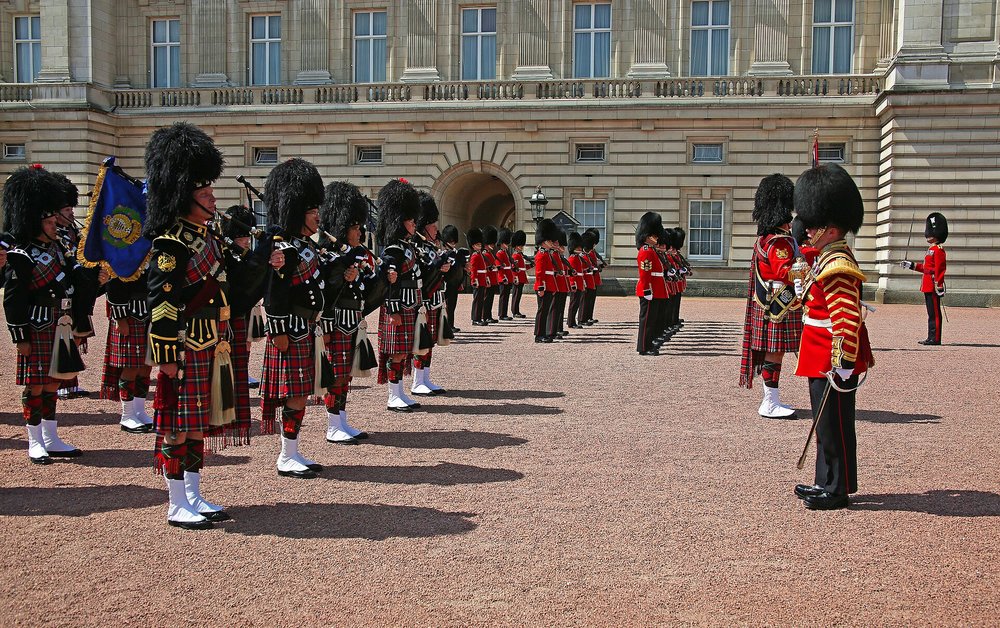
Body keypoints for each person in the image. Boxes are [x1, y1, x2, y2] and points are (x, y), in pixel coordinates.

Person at [143, 122, 236, 528]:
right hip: (182, 346)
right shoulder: (170, 245)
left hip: (209, 341)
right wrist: (165, 358)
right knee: (177, 427)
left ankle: (195, 494)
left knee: (198, 424)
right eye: (205, 193)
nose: (213, 198)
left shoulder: (209, 238)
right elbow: (162, 304)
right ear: (186, 198)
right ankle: (175, 500)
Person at [792, 163, 875, 511]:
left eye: (815, 224)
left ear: (831, 227)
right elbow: (810, 303)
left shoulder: (838, 264)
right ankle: (825, 481)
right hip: (818, 352)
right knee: (824, 423)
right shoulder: (824, 259)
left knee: (835, 424)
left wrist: (842, 360)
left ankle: (837, 488)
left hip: (831, 355)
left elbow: (846, 317)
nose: (809, 229)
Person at [2, 164, 95, 465]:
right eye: (50, 218)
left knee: (55, 381)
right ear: (36, 220)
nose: (56, 222)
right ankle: (34, 439)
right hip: (37, 323)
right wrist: (19, 336)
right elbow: (14, 299)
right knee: (37, 383)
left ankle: (51, 436)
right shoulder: (22, 255)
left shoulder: (61, 249)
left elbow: (73, 286)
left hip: (60, 323)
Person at [259, 158, 326, 479]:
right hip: (292, 330)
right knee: (295, 394)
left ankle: (293, 450)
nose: (318, 216)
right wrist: (277, 330)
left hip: (307, 328)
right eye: (313, 211)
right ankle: (286, 455)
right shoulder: (284, 247)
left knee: (300, 393)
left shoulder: (305, 246)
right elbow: (273, 292)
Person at [318, 181, 378, 444]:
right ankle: (332, 424)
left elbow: (364, 289)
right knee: (336, 373)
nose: (359, 231)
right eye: (354, 227)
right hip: (336, 321)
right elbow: (326, 295)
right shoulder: (328, 255)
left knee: (346, 373)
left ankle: (341, 418)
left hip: (353, 320)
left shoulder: (354, 254)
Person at [739, 174, 803, 419]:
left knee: (773, 352)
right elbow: (785, 271)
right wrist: (807, 266)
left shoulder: (766, 238)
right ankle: (770, 401)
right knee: (774, 352)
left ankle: (771, 400)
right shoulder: (780, 242)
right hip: (780, 302)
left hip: (771, 301)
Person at [220, 204, 280, 449]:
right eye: (241, 237)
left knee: (240, 360)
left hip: (241, 313)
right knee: (227, 366)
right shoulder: (228, 253)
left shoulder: (239, 253)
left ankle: (232, 411)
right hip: (225, 317)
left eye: (245, 237)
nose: (245, 241)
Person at [376, 178, 424, 412]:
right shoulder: (393, 249)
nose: (414, 224)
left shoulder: (407, 246)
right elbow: (391, 282)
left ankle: (400, 392)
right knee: (396, 352)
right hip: (399, 305)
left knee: (403, 350)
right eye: (410, 220)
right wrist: (393, 309)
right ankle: (393, 395)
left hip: (410, 303)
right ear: (399, 221)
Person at [411, 191, 452, 396]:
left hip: (435, 298)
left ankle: (425, 377)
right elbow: (422, 274)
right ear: (423, 226)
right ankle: (417, 380)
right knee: (423, 340)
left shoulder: (431, 247)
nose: (436, 228)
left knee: (431, 340)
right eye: (432, 225)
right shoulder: (417, 248)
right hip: (424, 300)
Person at [900, 213, 948, 345]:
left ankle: (936, 338)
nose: (928, 235)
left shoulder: (938, 250)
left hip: (933, 284)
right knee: (930, 313)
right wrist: (911, 265)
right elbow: (925, 268)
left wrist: (939, 285)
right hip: (927, 284)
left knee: (935, 313)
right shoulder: (931, 249)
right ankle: (931, 336)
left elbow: (940, 269)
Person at [635, 212, 667, 356]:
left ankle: (648, 343)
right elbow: (645, 273)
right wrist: (647, 290)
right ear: (647, 236)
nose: (657, 237)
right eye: (654, 235)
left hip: (655, 288)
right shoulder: (646, 251)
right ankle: (643, 347)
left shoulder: (651, 250)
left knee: (651, 320)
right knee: (646, 320)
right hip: (650, 290)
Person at [533, 219, 560, 343]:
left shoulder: (547, 254)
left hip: (549, 285)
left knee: (545, 311)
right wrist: (540, 288)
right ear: (544, 241)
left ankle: (543, 333)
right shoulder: (541, 255)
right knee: (542, 311)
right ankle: (539, 335)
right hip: (544, 286)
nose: (551, 243)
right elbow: (539, 273)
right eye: (549, 241)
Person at [440, 225, 466, 332]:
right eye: (450, 242)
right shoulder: (444, 254)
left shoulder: (457, 254)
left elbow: (460, 269)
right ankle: (446, 325)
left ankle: (451, 324)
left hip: (455, 283)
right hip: (447, 283)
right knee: (446, 305)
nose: (453, 244)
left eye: (454, 242)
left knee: (452, 305)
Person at [467, 227, 489, 326]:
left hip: (482, 279)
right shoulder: (475, 255)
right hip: (478, 280)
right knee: (477, 300)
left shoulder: (480, 255)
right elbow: (473, 269)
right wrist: (474, 280)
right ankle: (475, 319)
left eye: (480, 245)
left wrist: (486, 278)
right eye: (477, 245)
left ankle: (479, 317)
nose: (479, 246)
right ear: (473, 246)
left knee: (481, 300)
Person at [583, 228, 605, 324]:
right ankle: (585, 317)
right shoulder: (588, 252)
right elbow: (591, 265)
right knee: (587, 300)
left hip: (593, 277)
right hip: (589, 277)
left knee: (591, 299)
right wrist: (597, 268)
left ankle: (589, 316)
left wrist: (600, 266)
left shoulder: (592, 251)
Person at [566, 232, 587, 329]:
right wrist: (572, 284)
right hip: (575, 283)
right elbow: (571, 273)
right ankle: (571, 322)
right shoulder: (572, 259)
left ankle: (572, 321)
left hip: (579, 282)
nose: (580, 249)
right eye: (578, 247)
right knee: (573, 304)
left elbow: (580, 271)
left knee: (576, 303)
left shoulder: (578, 258)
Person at [510, 230, 531, 319]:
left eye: (521, 245)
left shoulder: (520, 255)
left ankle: (517, 310)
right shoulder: (515, 256)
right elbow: (513, 268)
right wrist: (515, 278)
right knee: (516, 295)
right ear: (515, 246)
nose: (521, 247)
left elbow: (523, 267)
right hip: (518, 278)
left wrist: (531, 265)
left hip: (521, 277)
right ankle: (515, 311)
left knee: (518, 295)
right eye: (520, 245)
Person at [494, 228, 514, 321]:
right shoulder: (500, 253)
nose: (507, 245)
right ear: (502, 243)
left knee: (506, 296)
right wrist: (503, 278)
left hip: (508, 277)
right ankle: (502, 314)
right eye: (506, 243)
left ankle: (504, 313)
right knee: (503, 296)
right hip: (504, 278)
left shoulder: (506, 253)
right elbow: (499, 268)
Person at [480, 226, 499, 323]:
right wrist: (487, 279)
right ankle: (484, 316)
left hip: (493, 278)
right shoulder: (484, 254)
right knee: (486, 299)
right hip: (488, 279)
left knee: (490, 299)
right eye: (491, 243)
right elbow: (485, 268)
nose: (493, 245)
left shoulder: (490, 253)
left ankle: (489, 315)